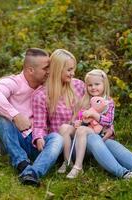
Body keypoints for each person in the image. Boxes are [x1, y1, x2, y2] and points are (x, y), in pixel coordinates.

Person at [0, 48, 64, 187]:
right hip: (13, 139)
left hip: (36, 142)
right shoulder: (14, 82)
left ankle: (32, 172)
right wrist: (15, 116)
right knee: (2, 116)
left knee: (57, 138)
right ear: (30, 70)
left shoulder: (48, 86)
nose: (49, 71)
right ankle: (22, 163)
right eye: (46, 68)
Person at [59, 69, 132, 182]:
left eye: (97, 84)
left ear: (104, 84)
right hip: (81, 142)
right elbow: (76, 119)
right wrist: (76, 123)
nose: (93, 87)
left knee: (113, 146)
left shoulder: (107, 102)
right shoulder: (84, 100)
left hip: (99, 136)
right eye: (90, 85)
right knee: (85, 132)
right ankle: (124, 174)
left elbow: (108, 121)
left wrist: (95, 116)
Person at [31, 48, 85, 179]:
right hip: (61, 146)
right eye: (69, 70)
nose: (73, 73)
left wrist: (109, 127)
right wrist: (38, 138)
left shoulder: (79, 85)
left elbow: (95, 108)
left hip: (82, 142)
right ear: (57, 69)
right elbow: (39, 125)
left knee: (106, 143)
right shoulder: (41, 95)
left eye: (73, 69)